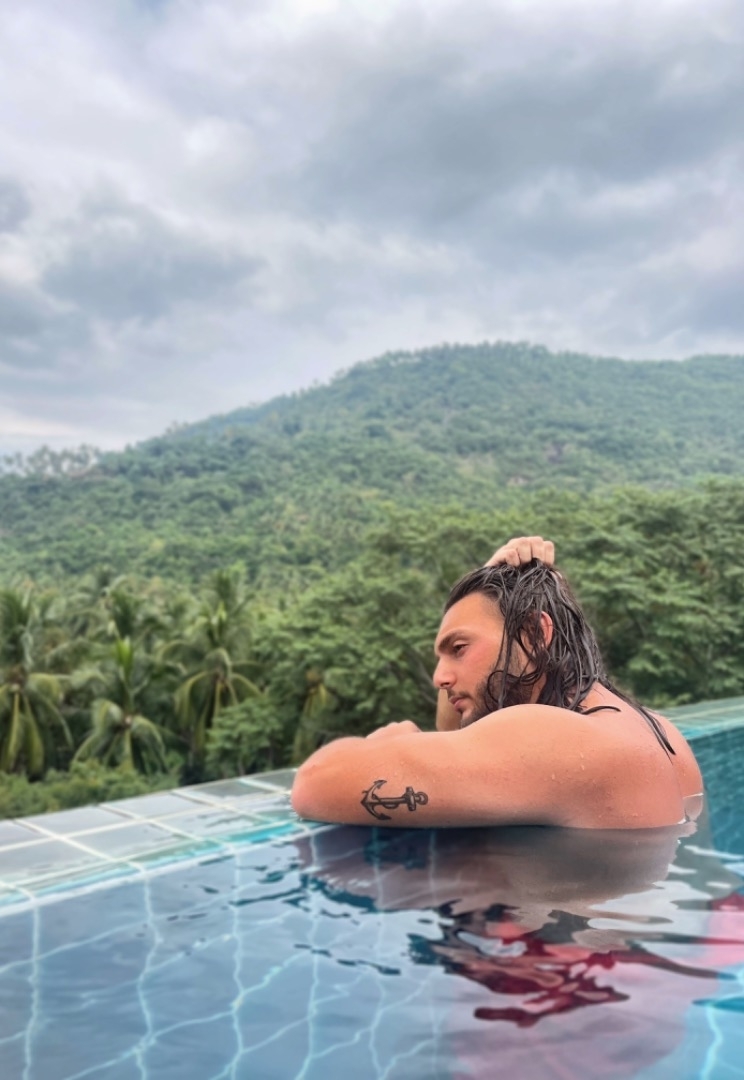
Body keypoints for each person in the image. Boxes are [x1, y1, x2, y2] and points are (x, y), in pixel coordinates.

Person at [291, 537, 703, 829]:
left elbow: (313, 785)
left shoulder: (551, 738)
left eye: (459, 648)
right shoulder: (662, 733)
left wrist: (386, 745)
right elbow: (453, 731)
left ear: (534, 635)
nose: (439, 677)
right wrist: (493, 586)